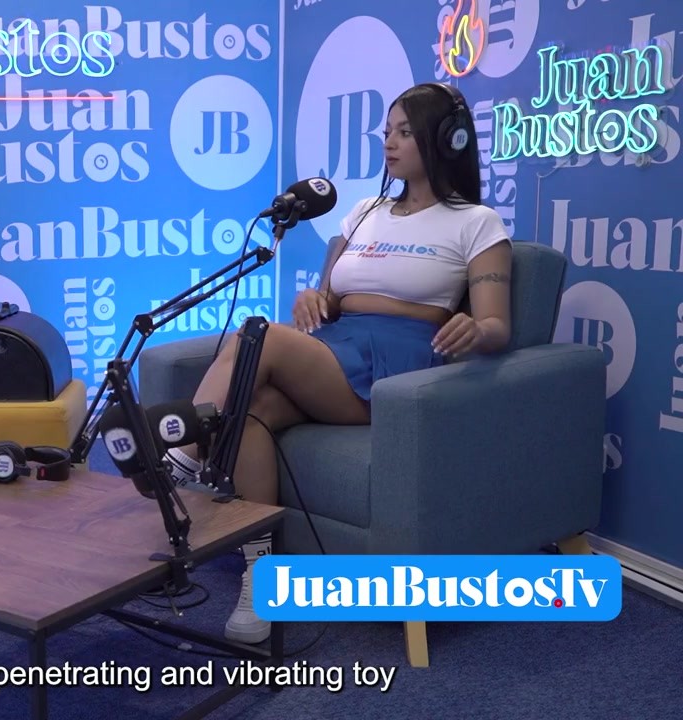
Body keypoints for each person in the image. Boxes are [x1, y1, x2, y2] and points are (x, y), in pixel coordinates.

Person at [162, 83, 513, 644]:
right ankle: (261, 578)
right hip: (336, 343)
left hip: (395, 363)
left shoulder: (476, 222)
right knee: (251, 412)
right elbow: (328, 296)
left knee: (258, 335)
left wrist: (476, 328)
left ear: (446, 140)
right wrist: (314, 298)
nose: (389, 143)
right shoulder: (363, 212)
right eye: (387, 132)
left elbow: (498, 326)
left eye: (404, 132)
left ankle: (180, 456)